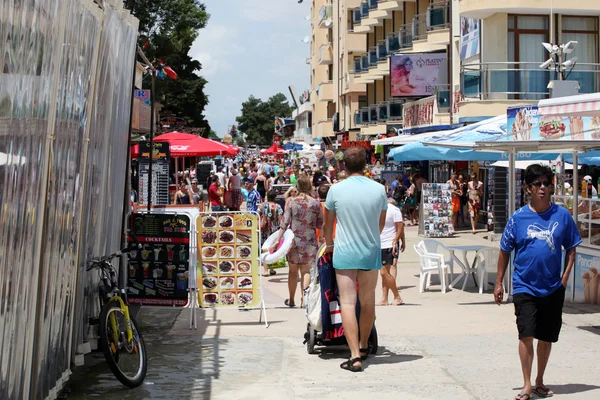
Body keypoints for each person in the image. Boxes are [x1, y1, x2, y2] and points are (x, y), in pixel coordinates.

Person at [495, 164, 581, 400]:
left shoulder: (562, 216)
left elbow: (572, 248)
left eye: (546, 183)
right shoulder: (518, 218)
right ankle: (526, 385)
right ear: (528, 188)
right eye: (537, 184)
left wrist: (564, 279)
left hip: (553, 287)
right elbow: (504, 250)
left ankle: (539, 381)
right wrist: (499, 283)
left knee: (546, 336)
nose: (543, 188)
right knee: (526, 334)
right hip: (524, 286)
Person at [324, 147, 387, 373]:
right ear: (365, 165)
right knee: (368, 300)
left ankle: (353, 356)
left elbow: (328, 223)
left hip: (345, 251)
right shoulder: (380, 189)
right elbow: (381, 223)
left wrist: (329, 244)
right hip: (370, 250)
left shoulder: (335, 190)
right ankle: (363, 346)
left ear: (344, 166)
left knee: (348, 303)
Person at [271, 176, 323, 308]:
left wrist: (278, 240)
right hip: (310, 241)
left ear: (298, 187)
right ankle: (304, 300)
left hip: (294, 241)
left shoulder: (292, 203)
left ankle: (292, 299)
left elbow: (285, 222)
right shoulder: (315, 203)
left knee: (292, 271)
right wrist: (321, 238)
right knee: (306, 272)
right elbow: (320, 224)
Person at [378, 197, 406, 306]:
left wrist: (398, 240)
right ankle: (384, 299)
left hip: (389, 244)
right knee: (384, 273)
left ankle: (397, 296)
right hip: (379, 244)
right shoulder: (376, 209)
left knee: (383, 272)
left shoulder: (394, 209)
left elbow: (400, 226)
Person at [258, 189, 284, 276]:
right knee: (273, 249)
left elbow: (256, 215)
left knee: (264, 248)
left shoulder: (262, 206)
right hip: (274, 231)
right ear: (275, 197)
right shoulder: (278, 206)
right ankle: (272, 269)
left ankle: (265, 270)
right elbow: (281, 219)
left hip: (264, 230)